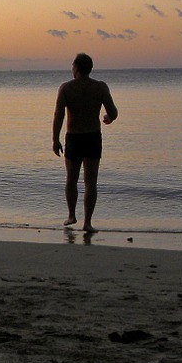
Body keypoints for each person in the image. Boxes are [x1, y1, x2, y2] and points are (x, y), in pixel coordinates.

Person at [51, 52, 118, 233]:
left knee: (71, 179)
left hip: (74, 137)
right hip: (93, 137)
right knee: (91, 182)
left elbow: (59, 115)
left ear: (76, 68)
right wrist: (109, 118)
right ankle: (87, 222)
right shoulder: (100, 87)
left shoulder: (66, 88)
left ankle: (72, 215)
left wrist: (55, 139)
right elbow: (113, 111)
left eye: (73, 66)